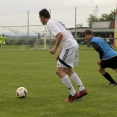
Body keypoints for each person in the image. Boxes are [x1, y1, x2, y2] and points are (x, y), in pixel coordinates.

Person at [39, 9, 87, 102]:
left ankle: (73, 94)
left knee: (58, 71)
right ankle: (82, 89)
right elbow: (65, 35)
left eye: (40, 18)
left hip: (69, 47)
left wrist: (55, 48)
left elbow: (60, 35)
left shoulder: (50, 23)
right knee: (67, 69)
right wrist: (60, 52)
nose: (40, 20)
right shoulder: (56, 21)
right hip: (72, 45)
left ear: (42, 17)